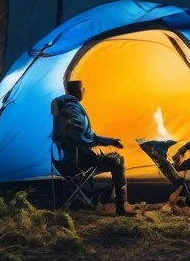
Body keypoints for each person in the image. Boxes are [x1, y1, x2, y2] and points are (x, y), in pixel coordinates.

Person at [51, 80, 134, 216]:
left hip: (61, 163)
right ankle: (122, 207)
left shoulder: (60, 108)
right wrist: (88, 142)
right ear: (80, 92)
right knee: (117, 160)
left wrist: (110, 141)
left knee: (106, 156)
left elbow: (89, 137)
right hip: (78, 162)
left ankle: (86, 198)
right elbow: (79, 134)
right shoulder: (73, 107)